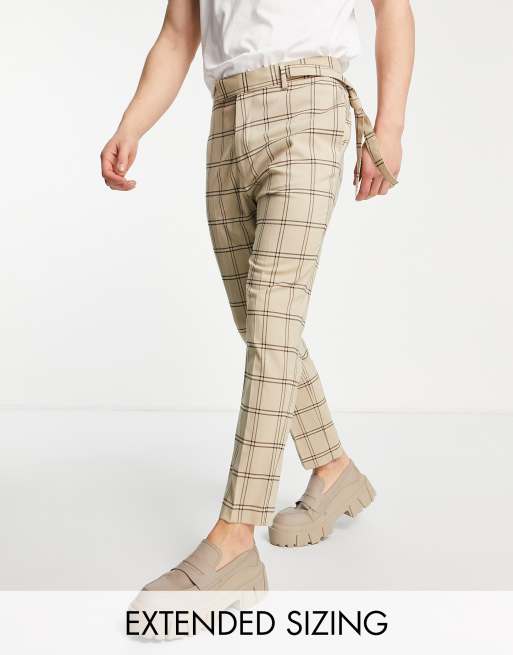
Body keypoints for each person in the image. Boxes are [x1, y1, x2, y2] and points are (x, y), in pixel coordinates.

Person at [101, 0, 414, 594]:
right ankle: (334, 468)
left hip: (311, 103)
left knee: (272, 316)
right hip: (227, 118)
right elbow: (179, 32)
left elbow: (393, 10)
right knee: (259, 320)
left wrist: (390, 128)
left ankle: (234, 540)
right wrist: (131, 124)